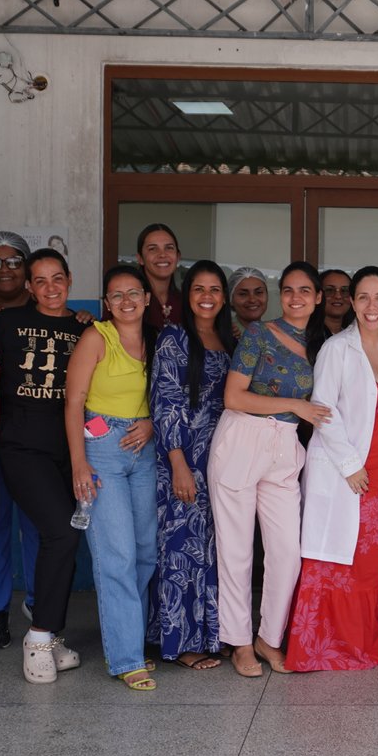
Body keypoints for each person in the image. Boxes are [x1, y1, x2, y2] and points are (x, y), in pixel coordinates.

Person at [287, 266, 378, 671]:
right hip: (352, 471)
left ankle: (371, 638)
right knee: (342, 556)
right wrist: (349, 465)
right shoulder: (337, 348)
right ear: (352, 303)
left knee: (376, 560)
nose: (371, 306)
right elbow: (322, 410)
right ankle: (330, 647)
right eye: (363, 297)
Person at [210, 262, 331, 677]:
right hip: (242, 439)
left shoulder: (321, 344)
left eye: (305, 291)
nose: (296, 298)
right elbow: (233, 396)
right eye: (289, 290)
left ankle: (269, 637)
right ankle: (240, 643)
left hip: (284, 448)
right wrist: (295, 405)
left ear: (318, 298)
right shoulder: (258, 334)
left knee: (286, 554)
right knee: (236, 552)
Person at [0, 249, 91, 684]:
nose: (50, 288)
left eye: (57, 278)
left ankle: (51, 633)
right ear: (29, 286)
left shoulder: (85, 327)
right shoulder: (5, 322)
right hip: (20, 446)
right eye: (40, 280)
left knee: (65, 539)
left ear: (69, 279)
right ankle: (39, 636)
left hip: (69, 448)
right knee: (61, 532)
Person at [66, 266, 159, 691]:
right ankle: (126, 657)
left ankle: (130, 641)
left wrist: (152, 424)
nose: (126, 301)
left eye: (133, 293)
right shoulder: (96, 338)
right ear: (106, 302)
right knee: (116, 554)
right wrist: (79, 463)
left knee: (145, 552)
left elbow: (167, 395)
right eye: (116, 295)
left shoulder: (157, 339)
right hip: (101, 448)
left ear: (146, 298)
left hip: (144, 448)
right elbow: (74, 401)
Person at [151, 261, 233, 671]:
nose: (207, 296)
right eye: (199, 288)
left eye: (215, 289)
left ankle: (211, 634)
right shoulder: (174, 337)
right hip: (182, 458)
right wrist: (179, 463)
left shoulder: (229, 341)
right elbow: (166, 401)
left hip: (221, 459)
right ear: (187, 295)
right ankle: (180, 642)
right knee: (181, 548)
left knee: (213, 549)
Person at [0, 228, 39, 649]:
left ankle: (39, 605)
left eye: (14, 261)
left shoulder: (47, 309)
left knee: (37, 527)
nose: (5, 270)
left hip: (35, 440)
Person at [137, 223, 184, 332]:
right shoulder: (129, 301)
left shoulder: (186, 303)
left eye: (169, 248)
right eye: (152, 249)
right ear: (140, 259)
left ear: (178, 257)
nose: (162, 254)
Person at [228, 266, 270, 336]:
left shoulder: (273, 334)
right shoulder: (225, 333)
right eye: (243, 294)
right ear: (231, 299)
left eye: (259, 292)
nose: (252, 300)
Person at [320, 268, 352, 335]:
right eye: (329, 290)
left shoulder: (354, 336)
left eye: (344, 291)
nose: (338, 296)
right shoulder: (305, 337)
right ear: (318, 295)